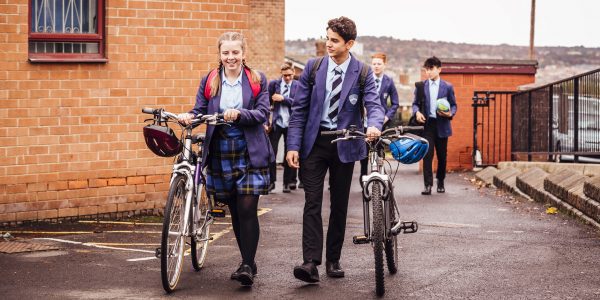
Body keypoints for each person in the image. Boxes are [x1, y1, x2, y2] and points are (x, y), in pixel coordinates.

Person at [286, 16, 384, 283]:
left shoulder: (362, 72)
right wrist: (293, 145)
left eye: (334, 40)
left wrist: (373, 125)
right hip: (315, 143)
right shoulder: (313, 67)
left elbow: (374, 105)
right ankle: (310, 262)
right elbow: (299, 110)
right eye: (327, 38)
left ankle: (333, 259)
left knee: (339, 204)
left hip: (345, 142)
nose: (327, 44)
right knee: (312, 202)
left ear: (349, 44)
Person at [178, 31, 274, 287]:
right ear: (220, 54)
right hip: (220, 150)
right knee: (234, 209)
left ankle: (246, 266)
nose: (231, 57)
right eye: (226, 53)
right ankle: (248, 261)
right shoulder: (210, 80)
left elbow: (263, 113)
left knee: (247, 208)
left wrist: (239, 114)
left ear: (243, 53)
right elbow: (200, 110)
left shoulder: (256, 79)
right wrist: (189, 116)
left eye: (235, 52)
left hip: (249, 149)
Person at [411, 56, 457, 195]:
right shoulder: (421, 86)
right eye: (426, 69)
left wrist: (450, 114)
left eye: (431, 69)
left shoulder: (448, 87)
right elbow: (414, 104)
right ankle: (427, 185)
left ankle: (441, 181)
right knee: (427, 155)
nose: (428, 72)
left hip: (442, 124)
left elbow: (454, 105)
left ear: (439, 70)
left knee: (442, 157)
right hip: (427, 125)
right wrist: (417, 112)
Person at [359, 52, 399, 182]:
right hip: (365, 122)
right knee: (364, 152)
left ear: (384, 65)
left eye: (379, 64)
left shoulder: (389, 81)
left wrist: (387, 116)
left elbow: (395, 103)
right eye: (374, 64)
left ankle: (380, 176)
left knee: (380, 150)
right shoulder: (365, 80)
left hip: (382, 122)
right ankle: (363, 176)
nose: (376, 66)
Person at [267, 61, 299, 193]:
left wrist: (283, 98)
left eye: (289, 75)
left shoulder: (298, 86)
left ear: (293, 73)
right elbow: (265, 103)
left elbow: (298, 104)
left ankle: (288, 182)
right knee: (271, 153)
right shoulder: (274, 85)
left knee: (289, 153)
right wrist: (265, 122)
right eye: (285, 75)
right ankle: (271, 182)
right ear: (281, 74)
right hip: (277, 123)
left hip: (291, 124)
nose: (287, 78)